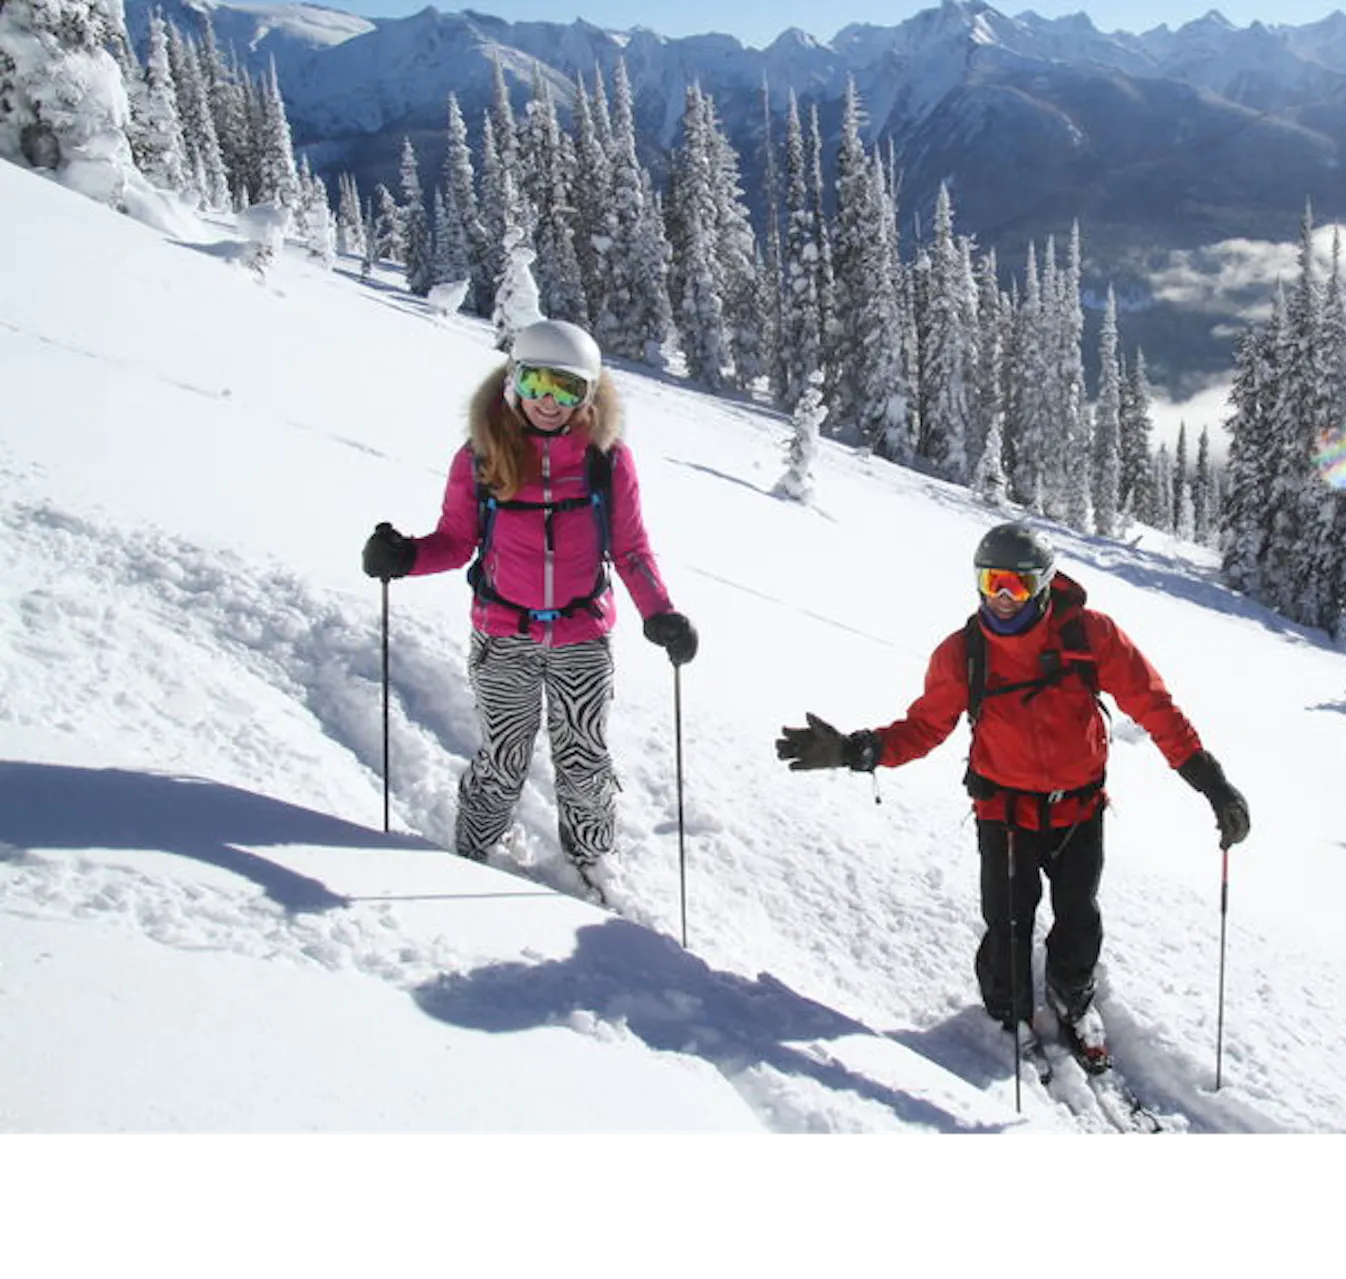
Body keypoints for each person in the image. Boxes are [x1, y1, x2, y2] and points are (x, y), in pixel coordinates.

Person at [774, 522, 1249, 1065]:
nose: (1001, 597)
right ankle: (1007, 1012)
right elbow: (924, 727)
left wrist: (1212, 784)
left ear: (1043, 584)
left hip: (1078, 810)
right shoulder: (963, 654)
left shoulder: (1090, 637)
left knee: (1079, 917)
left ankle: (1072, 997)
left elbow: (1155, 708)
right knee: (1007, 922)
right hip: (1003, 811)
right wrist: (855, 751)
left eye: (1016, 585)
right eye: (991, 581)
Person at [362, 319, 697, 902]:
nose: (549, 400)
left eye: (566, 388)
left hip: (581, 636)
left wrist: (660, 613)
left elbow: (631, 549)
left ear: (587, 395)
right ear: (514, 379)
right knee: (503, 755)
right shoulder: (481, 455)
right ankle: (472, 852)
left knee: (585, 758)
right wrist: (406, 556)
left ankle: (590, 866)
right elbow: (456, 540)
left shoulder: (606, 460)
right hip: (503, 635)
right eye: (537, 382)